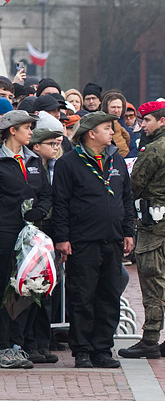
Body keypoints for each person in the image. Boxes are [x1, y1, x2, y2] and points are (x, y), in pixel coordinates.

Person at [51, 112, 135, 368]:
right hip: (83, 240)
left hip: (112, 240)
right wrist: (62, 238)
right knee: (82, 296)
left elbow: (127, 198)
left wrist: (129, 230)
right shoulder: (69, 162)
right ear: (91, 133)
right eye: (107, 128)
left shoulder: (116, 160)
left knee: (109, 296)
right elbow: (61, 203)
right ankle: (83, 350)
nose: (112, 132)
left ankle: (103, 349)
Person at [119, 99, 165, 361]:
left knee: (152, 280)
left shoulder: (153, 150)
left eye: (146, 120)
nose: (142, 125)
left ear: (162, 121)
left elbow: (134, 186)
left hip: (154, 223)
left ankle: (150, 338)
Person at [0, 110, 51, 369]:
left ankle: (17, 345)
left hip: (30, 236)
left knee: (26, 289)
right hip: (5, 234)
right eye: (27, 128)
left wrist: (40, 211)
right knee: (3, 289)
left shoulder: (33, 160)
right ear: (13, 131)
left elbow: (47, 194)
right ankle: (2, 346)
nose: (31, 132)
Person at [20, 127, 62, 364]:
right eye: (51, 144)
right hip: (30, 230)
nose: (56, 147)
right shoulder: (30, 165)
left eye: (58, 144)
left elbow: (50, 196)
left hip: (49, 230)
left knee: (47, 290)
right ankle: (28, 342)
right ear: (36, 146)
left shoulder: (54, 167)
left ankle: (42, 342)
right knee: (29, 288)